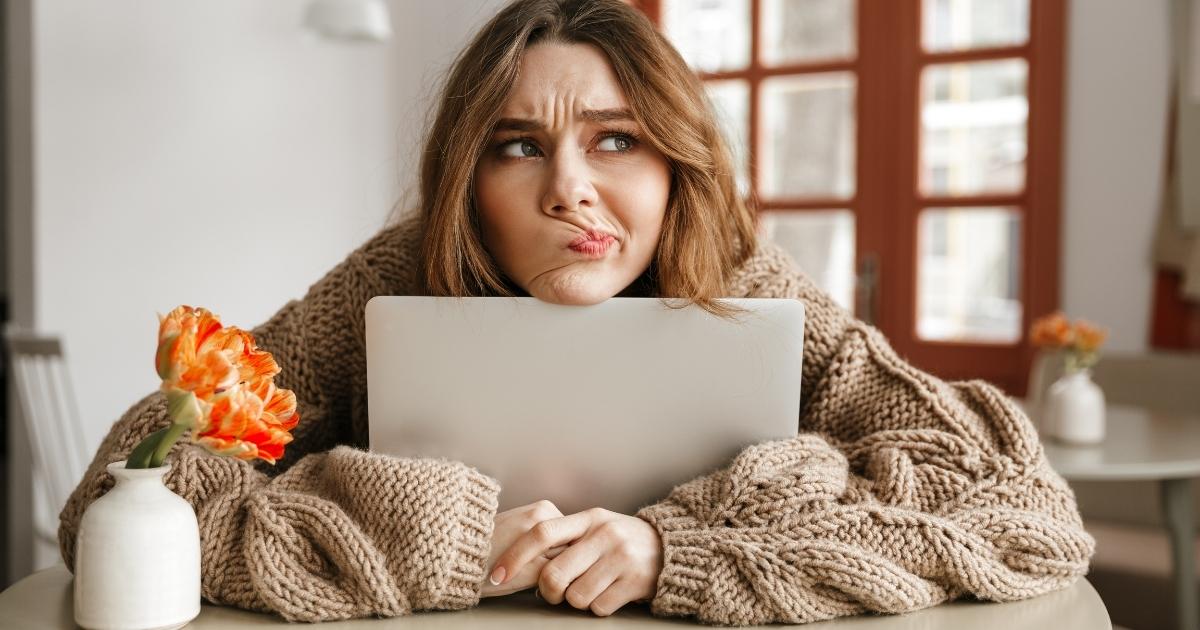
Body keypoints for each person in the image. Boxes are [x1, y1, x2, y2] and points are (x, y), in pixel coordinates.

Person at [58, 0, 1095, 625]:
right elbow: (118, 500)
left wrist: (682, 554)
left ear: (674, 163)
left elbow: (1022, 513)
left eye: (615, 139)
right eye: (518, 146)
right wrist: (436, 541)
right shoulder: (389, 281)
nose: (570, 190)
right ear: (468, 180)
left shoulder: (744, 282)